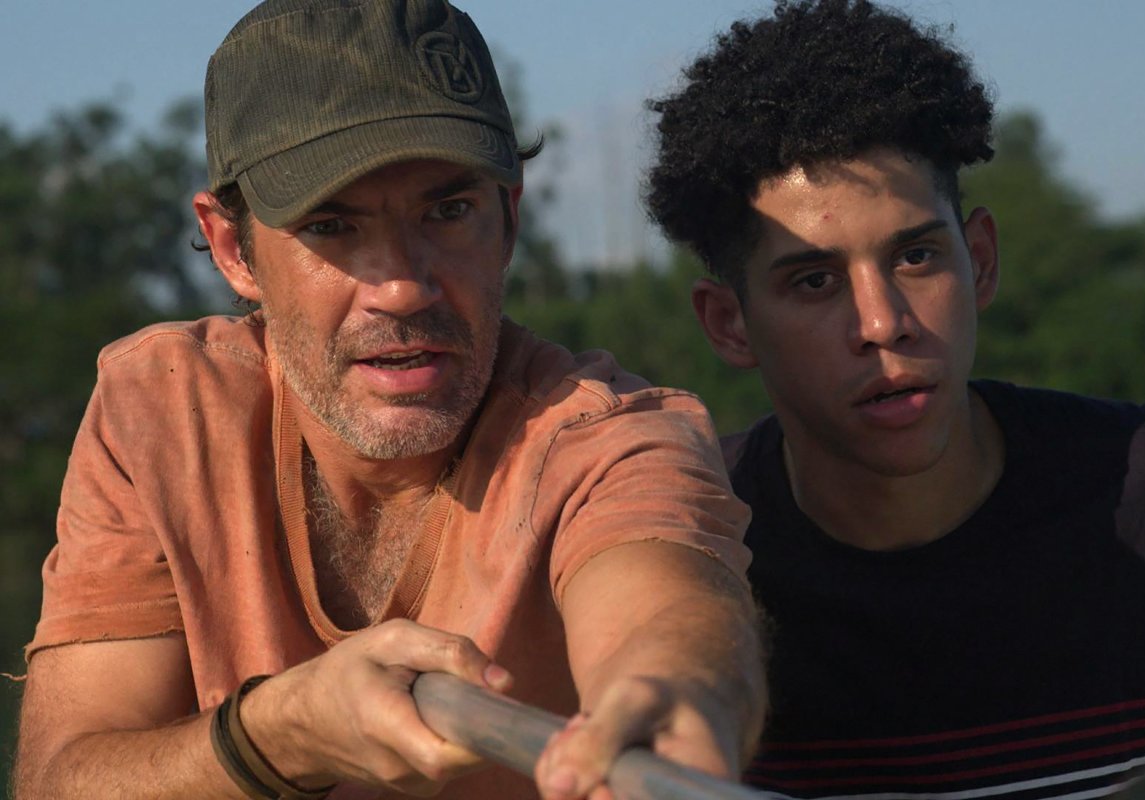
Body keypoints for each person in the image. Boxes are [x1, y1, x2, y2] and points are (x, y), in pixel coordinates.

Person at [13, 1, 766, 798]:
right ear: (234, 249)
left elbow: (669, 611)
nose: (403, 286)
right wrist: (277, 734)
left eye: (448, 211)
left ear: (508, 220)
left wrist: (677, 696)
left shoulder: (607, 437)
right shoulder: (161, 413)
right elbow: (59, 779)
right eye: (332, 225)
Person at [645, 1, 1145, 798]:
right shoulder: (681, 548)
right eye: (814, 281)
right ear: (729, 323)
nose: (882, 325)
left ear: (978, 261)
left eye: (915, 257)